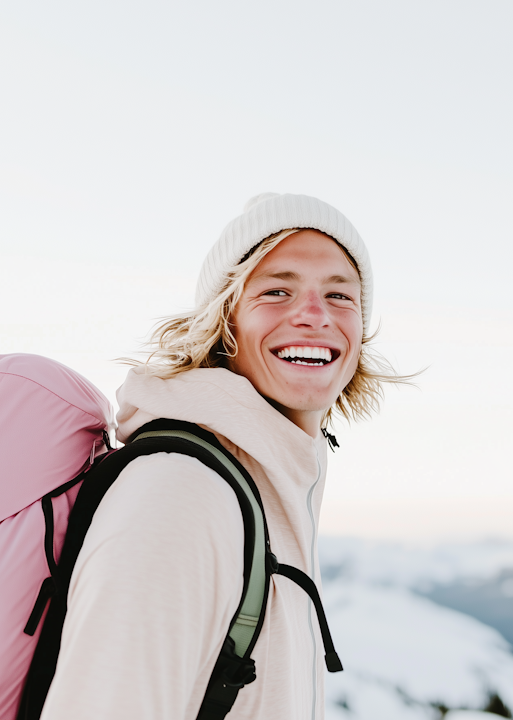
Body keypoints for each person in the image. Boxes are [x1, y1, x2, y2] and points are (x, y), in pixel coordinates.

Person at [40, 192, 402, 720]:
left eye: (341, 296)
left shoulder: (271, 480)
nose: (315, 315)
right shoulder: (181, 494)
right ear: (224, 322)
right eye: (277, 290)